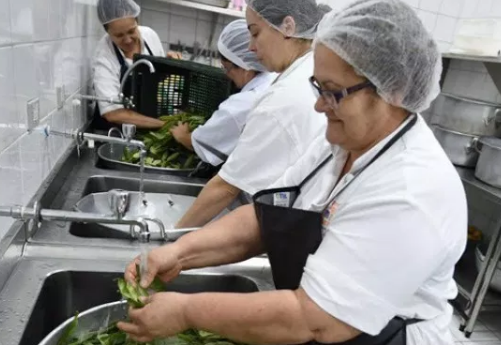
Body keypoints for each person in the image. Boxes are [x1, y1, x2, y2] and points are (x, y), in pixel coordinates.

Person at [117, 1, 468, 345]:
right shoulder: (342, 142)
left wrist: (187, 311)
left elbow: (316, 316)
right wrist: (180, 251)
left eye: (332, 92)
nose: (320, 106)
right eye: (318, 87)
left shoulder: (412, 192)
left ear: (389, 93)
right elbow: (273, 215)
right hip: (334, 344)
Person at [173, 0, 329, 228]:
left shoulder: (284, 98)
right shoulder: (310, 70)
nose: (250, 47)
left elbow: (225, 188)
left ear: (288, 27)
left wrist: (169, 239)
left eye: (255, 33)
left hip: (289, 226)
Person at [170, 19, 276, 167]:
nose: (227, 75)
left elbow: (203, 146)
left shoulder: (241, 105)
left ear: (245, 67)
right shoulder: (272, 79)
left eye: (227, 68)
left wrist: (182, 136)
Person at [91, 0, 180, 129]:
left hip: (148, 126)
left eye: (132, 31)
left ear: (137, 21)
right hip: (114, 133)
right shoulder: (104, 56)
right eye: (119, 35)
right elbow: (112, 114)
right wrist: (165, 125)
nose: (127, 40)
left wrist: (169, 65)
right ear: (108, 32)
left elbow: (158, 81)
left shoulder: (150, 36)